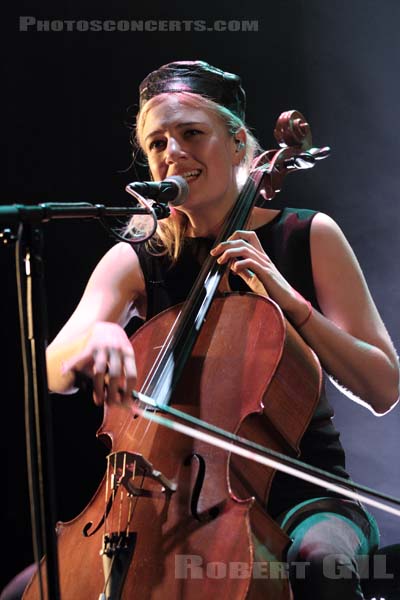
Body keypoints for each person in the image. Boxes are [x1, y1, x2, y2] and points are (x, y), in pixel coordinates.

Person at [3, 61, 399, 600]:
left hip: (299, 494)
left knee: (318, 567)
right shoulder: (139, 257)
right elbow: (53, 368)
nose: (173, 151)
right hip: (160, 500)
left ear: (239, 144)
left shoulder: (307, 235)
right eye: (158, 141)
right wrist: (99, 338)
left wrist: (291, 303)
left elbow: (384, 387)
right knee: (25, 592)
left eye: (191, 133)